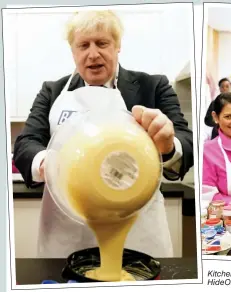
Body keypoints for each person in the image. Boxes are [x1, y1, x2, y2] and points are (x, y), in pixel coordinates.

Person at [12, 10, 194, 259]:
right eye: (83, 45)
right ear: (73, 52)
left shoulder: (153, 86)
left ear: (117, 46)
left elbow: (186, 141)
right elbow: (26, 143)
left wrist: (168, 144)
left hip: (138, 233)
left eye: (102, 43)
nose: (93, 53)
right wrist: (48, 164)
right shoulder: (52, 91)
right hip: (68, 235)